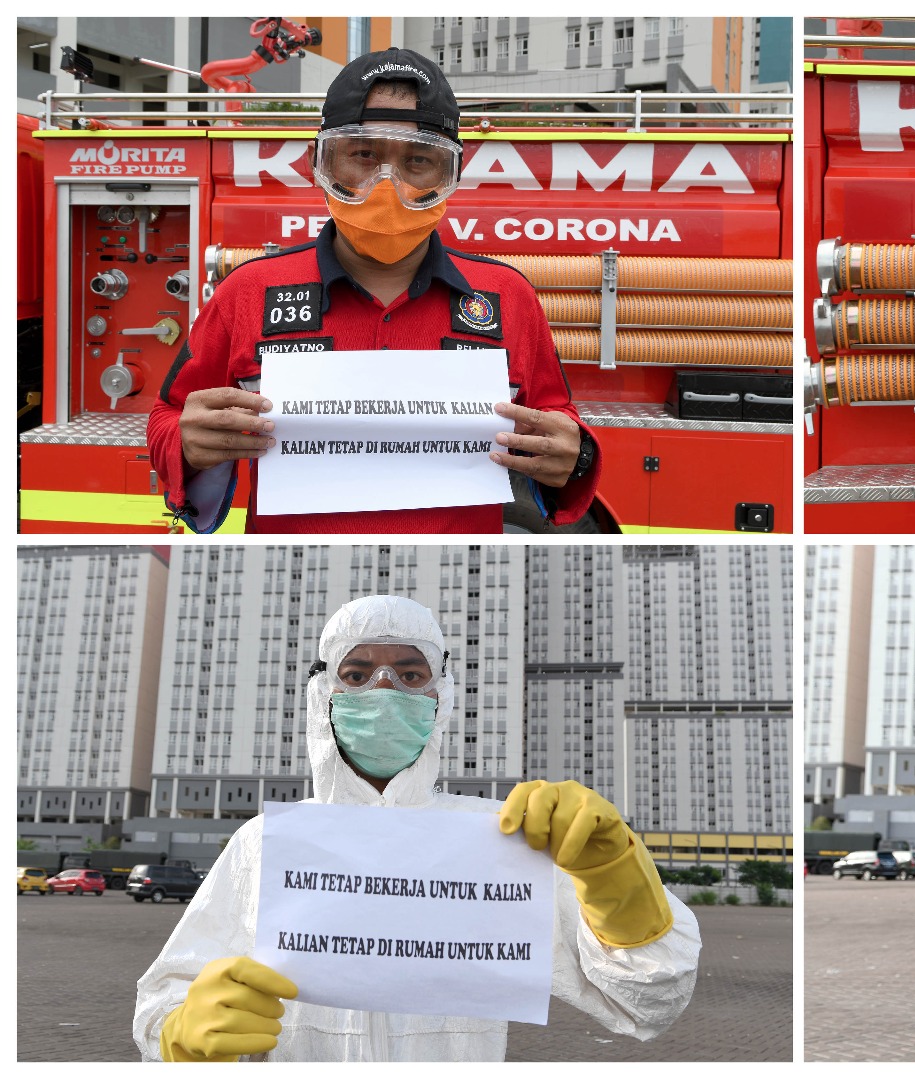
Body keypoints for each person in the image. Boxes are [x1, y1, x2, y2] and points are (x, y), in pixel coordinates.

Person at [133, 596, 698, 1061]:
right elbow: (165, 1002)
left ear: (440, 696)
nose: (384, 691)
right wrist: (181, 1036)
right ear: (324, 694)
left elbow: (648, 1000)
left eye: (409, 674)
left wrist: (612, 875)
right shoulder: (267, 844)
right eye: (357, 674)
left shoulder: (501, 842)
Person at [147, 48, 601, 533]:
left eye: (418, 160)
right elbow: (169, 415)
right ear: (319, 163)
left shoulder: (507, 296)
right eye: (363, 155)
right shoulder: (249, 292)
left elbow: (558, 421)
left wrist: (576, 457)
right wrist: (185, 444)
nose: (387, 186)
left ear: (450, 174)